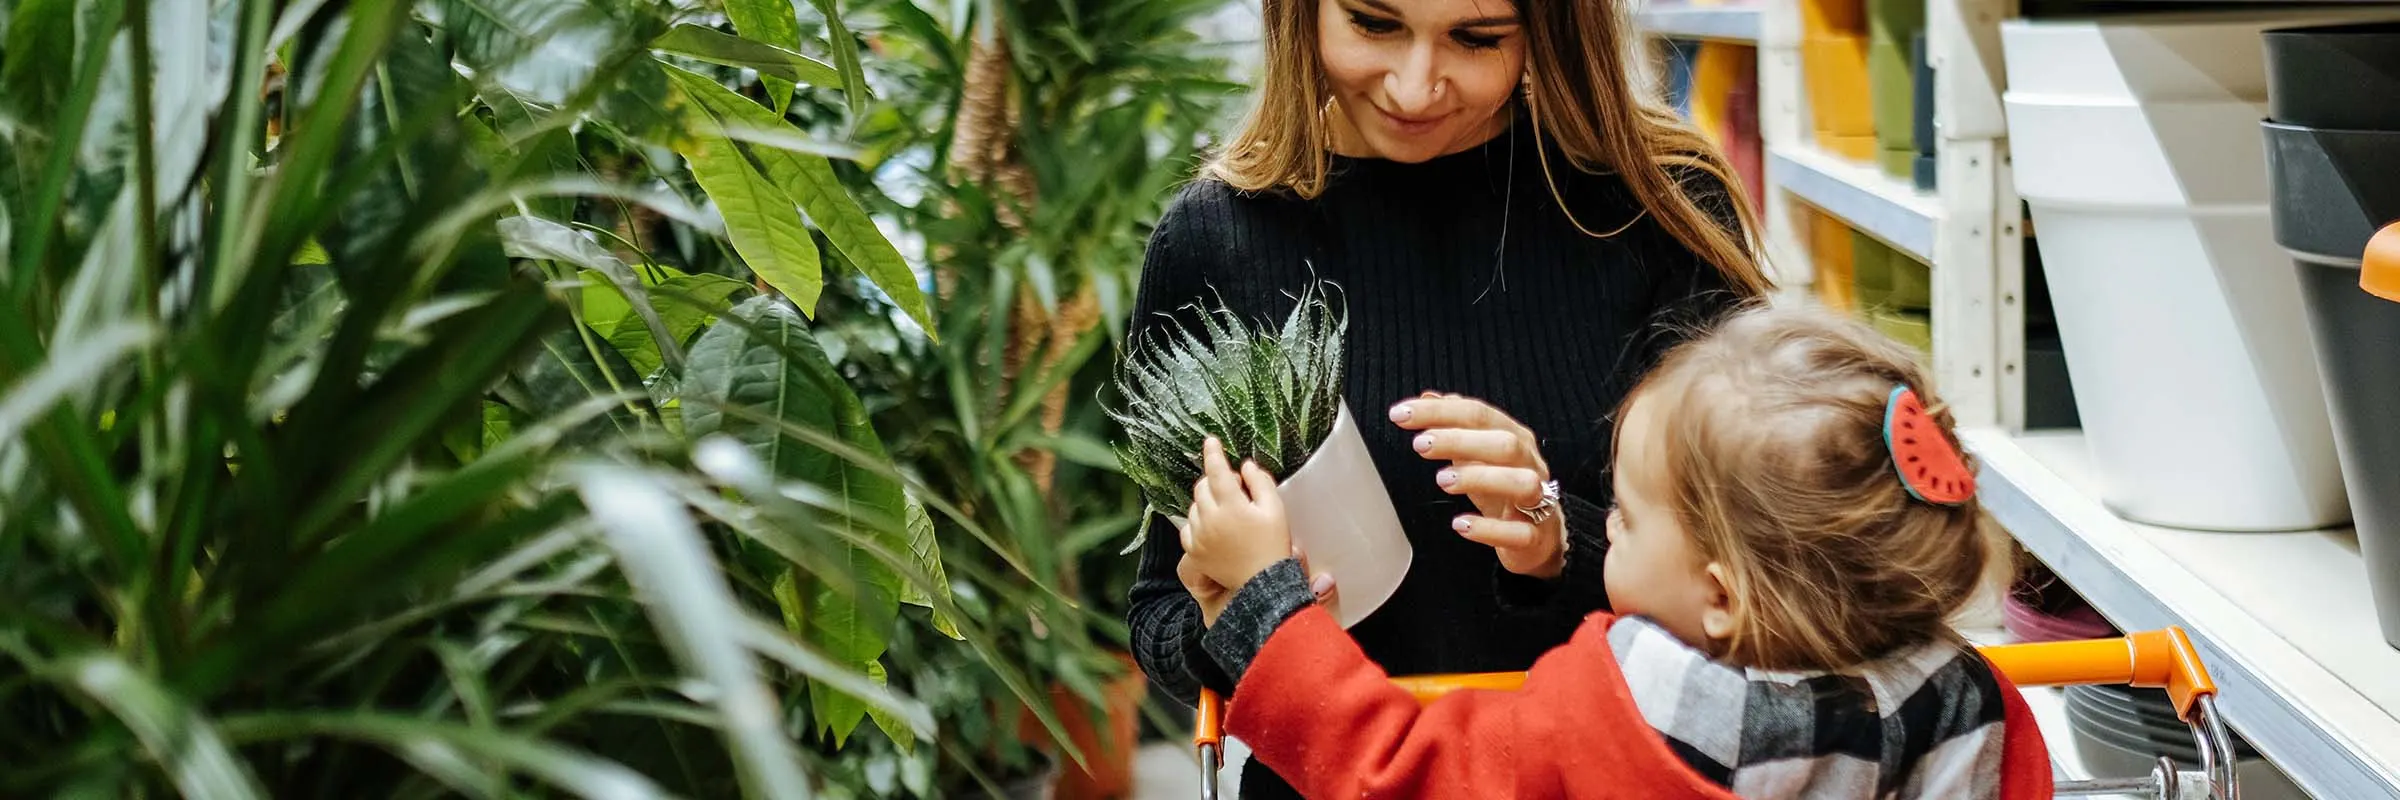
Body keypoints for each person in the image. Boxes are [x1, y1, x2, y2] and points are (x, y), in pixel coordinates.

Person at [1123, 0, 1772, 795]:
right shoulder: (1213, 241)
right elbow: (1159, 614)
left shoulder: (1658, 207)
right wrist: (1244, 612)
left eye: (1476, 38)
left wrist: (1557, 543)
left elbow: (1763, 578)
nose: (1416, 85)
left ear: (1550, 27)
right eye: (1373, 24)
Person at [1178, 307, 2053, 799]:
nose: (1607, 528)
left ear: (1722, 596)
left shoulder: (1624, 721)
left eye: (1626, 517)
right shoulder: (1973, 708)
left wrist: (1267, 611)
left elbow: (1398, 770)